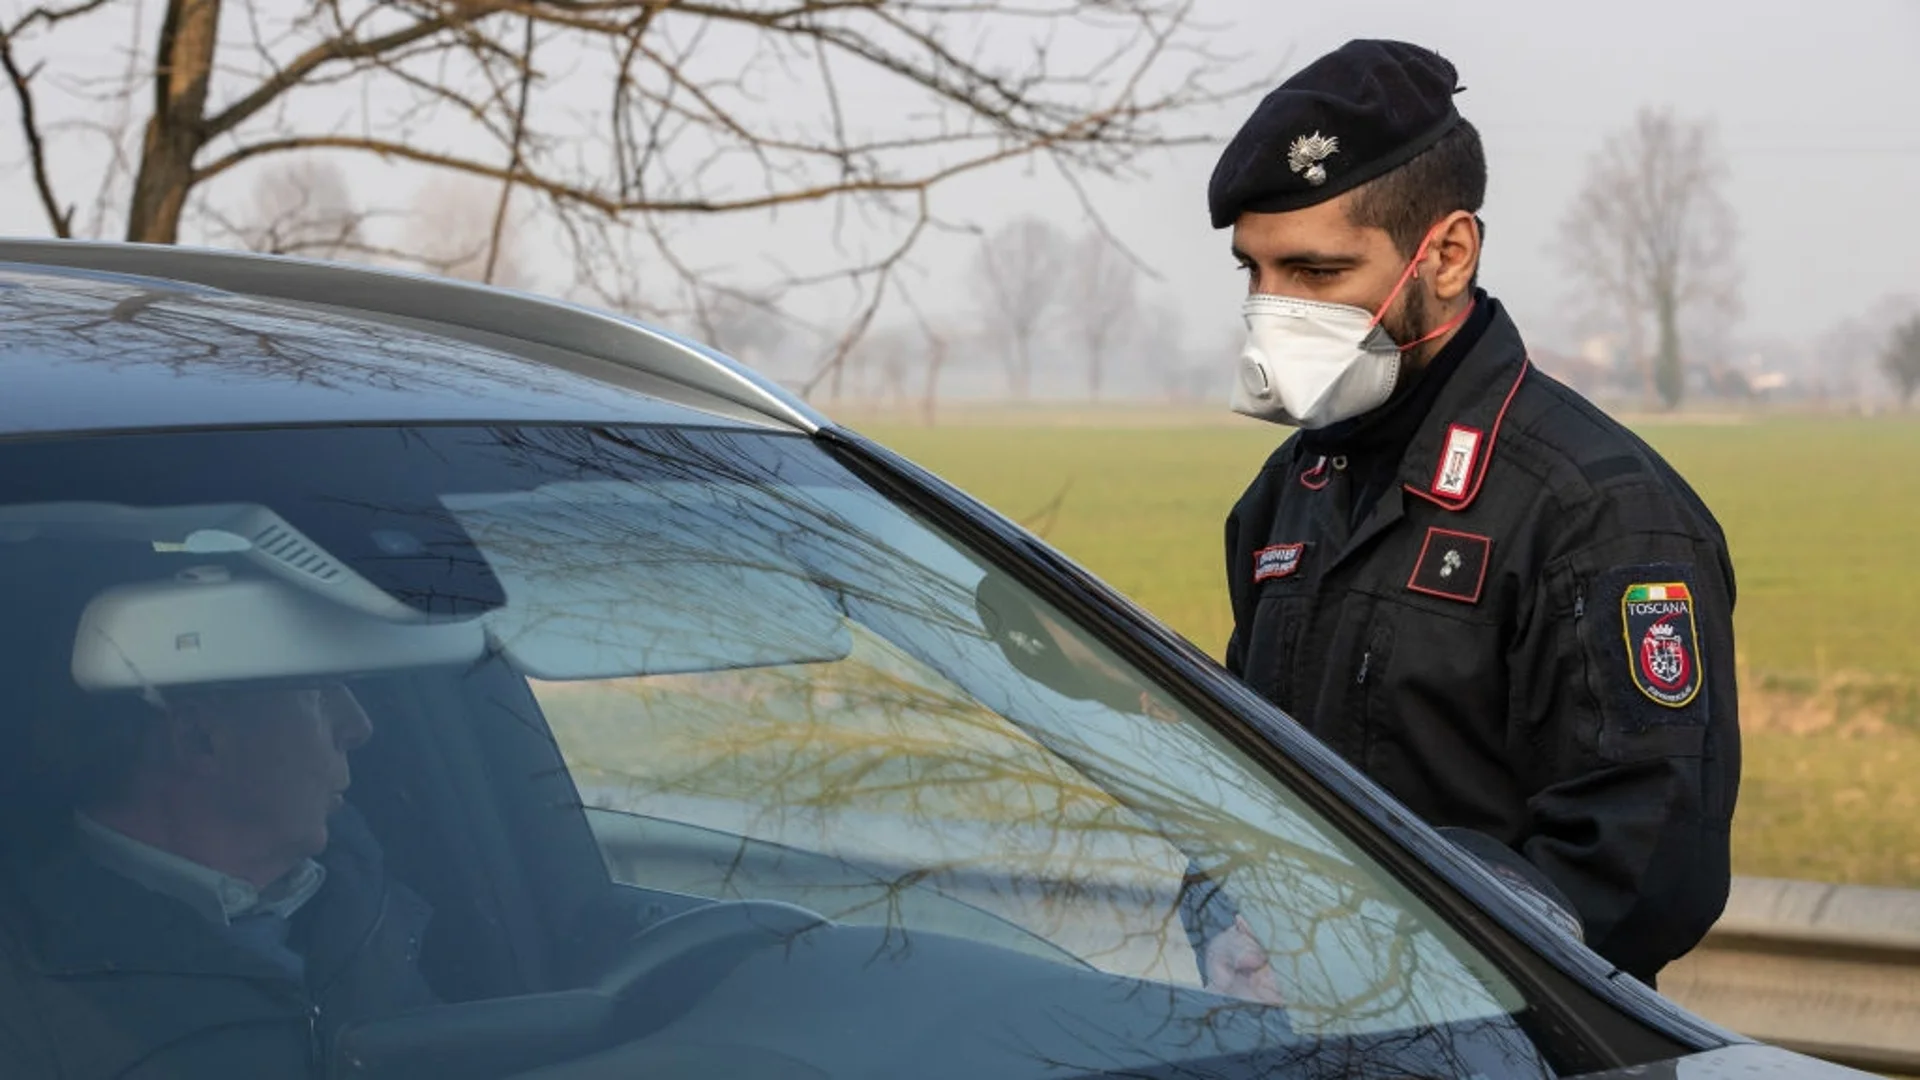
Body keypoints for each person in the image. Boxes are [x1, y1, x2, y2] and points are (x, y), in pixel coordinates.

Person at [1211, 40, 1739, 985]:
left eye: (1316, 274)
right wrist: (1220, 917)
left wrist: (1389, 968)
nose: (1270, 310)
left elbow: (1647, 869)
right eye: (1254, 271)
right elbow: (1249, 776)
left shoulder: (1599, 513)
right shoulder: (1290, 492)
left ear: (1446, 254)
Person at [0, 679, 438, 1078]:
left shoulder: (364, 897)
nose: (360, 726)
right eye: (319, 692)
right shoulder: (28, 1000)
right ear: (200, 739)